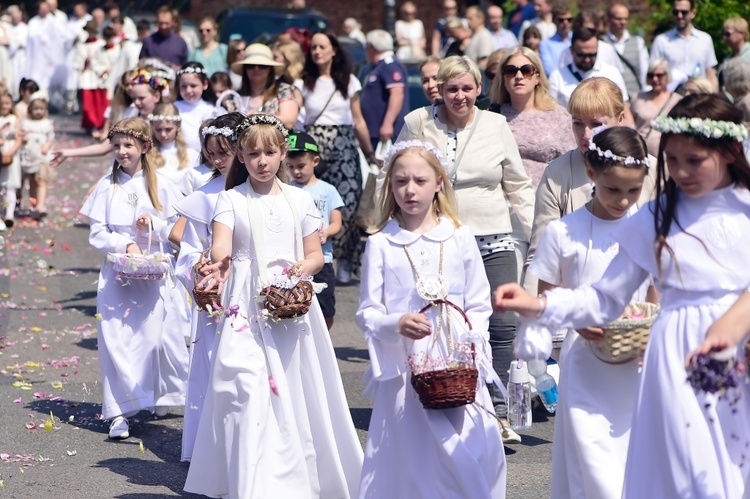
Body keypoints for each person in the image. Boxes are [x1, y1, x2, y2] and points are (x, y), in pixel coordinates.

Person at [494, 92, 750, 499]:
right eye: (672, 160)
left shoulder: (745, 210)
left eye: (695, 161)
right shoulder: (656, 216)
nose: (681, 172)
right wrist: (540, 304)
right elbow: (603, 297)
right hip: (671, 352)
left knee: (733, 467)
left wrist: (736, 325)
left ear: (731, 152)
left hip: (734, 351)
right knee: (682, 469)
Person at [183, 114, 363, 498]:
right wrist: (215, 264)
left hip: (290, 300)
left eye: (269, 152)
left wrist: (301, 268)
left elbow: (315, 253)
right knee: (244, 385)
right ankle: (249, 479)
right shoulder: (230, 199)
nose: (262, 161)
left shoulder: (300, 200)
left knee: (296, 387)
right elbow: (222, 247)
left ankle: (295, 476)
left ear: (282, 153)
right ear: (241, 159)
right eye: (252, 154)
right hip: (244, 305)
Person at [396, 55, 535, 443]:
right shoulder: (417, 122)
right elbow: (393, 175)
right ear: (438, 89)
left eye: (467, 88)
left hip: (494, 234)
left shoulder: (496, 124)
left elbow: (518, 185)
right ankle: (440, 403)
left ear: (478, 89)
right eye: (451, 88)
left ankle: (501, 412)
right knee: (442, 324)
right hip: (441, 236)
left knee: (503, 322)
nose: (460, 96)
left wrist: (539, 233)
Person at [357, 140, 506, 497]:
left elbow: (478, 301)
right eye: (401, 181)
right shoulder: (381, 243)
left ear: (439, 182)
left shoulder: (458, 235)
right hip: (407, 366)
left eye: (420, 181)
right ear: (390, 186)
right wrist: (396, 323)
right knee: (414, 451)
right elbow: (367, 312)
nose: (410, 190)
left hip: (457, 363)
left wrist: (474, 347)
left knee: (466, 444)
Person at [529, 126, 655, 498]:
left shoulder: (645, 226)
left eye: (633, 191)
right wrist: (578, 321)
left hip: (635, 362)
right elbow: (547, 297)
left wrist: (650, 328)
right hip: (585, 363)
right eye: (613, 189)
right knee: (596, 470)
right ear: (591, 173)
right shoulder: (564, 232)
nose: (622, 200)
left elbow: (654, 287)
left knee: (631, 462)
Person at [79, 118, 188, 439]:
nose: (122, 152)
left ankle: (154, 393)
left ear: (144, 147)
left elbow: (176, 229)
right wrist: (122, 242)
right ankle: (119, 413)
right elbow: (97, 232)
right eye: (116, 146)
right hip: (117, 273)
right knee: (116, 341)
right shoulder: (105, 186)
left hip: (152, 272)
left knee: (152, 340)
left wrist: (153, 224)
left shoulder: (163, 184)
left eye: (128, 145)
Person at [525, 77, 656, 294]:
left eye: (596, 124)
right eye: (578, 124)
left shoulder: (651, 170)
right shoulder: (557, 173)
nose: (586, 135)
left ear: (621, 118)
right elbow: (540, 255)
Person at [171, 112, 245, 462]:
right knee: (215, 366)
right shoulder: (205, 195)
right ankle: (212, 452)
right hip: (217, 292)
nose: (216, 160)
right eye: (210, 153)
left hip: (252, 288)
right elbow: (185, 247)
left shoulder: (256, 191)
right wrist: (198, 268)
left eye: (223, 152)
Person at [299, 30, 372, 284]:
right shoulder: (303, 82)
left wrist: (370, 153)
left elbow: (358, 119)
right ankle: (318, 256)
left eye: (322, 47)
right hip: (313, 147)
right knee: (312, 204)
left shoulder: (349, 81)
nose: (317, 51)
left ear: (333, 51)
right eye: (314, 48)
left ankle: (344, 260)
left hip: (343, 145)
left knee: (348, 206)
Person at [489, 46, 575, 187]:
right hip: (504, 198)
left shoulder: (560, 117)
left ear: (537, 78)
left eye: (526, 70)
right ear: (503, 79)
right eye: (511, 71)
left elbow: (572, 165)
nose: (518, 76)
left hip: (549, 196)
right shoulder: (492, 116)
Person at [286, 131, 343, 330]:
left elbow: (337, 221)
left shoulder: (327, 190)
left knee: (327, 308)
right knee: (297, 303)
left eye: (301, 166)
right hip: (296, 258)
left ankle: (324, 338)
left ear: (315, 161)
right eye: (291, 167)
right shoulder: (286, 189)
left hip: (323, 259)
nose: (296, 172)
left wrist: (326, 233)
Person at [548, 27, 631, 112]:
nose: (587, 60)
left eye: (592, 55)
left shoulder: (612, 73)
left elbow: (624, 108)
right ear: (572, 51)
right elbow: (551, 112)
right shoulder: (557, 77)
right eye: (582, 55)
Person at [650, 0, 718, 91]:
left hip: (699, 95)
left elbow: (710, 72)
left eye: (684, 12)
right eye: (676, 12)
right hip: (672, 96)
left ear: (693, 13)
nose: (679, 16)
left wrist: (714, 97)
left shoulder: (705, 39)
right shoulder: (661, 41)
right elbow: (653, 72)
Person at [231, 43, 298, 130]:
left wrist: (258, 117)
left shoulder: (283, 90)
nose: (256, 69)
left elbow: (289, 122)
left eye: (262, 66)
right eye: (251, 66)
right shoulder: (235, 97)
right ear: (245, 69)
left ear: (270, 69)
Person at [362, 30, 410, 150]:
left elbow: (397, 94)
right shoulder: (379, 66)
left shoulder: (389, 65)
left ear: (371, 47)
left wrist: (387, 124)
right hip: (374, 132)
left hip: (386, 134)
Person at [630, 58, 682, 156]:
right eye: (651, 75)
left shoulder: (678, 100)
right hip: (642, 154)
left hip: (668, 156)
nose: (655, 79)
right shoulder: (637, 98)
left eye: (659, 75)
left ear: (667, 75)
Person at [147, 102, 200, 194]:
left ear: (178, 126)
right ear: (152, 127)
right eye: (158, 130)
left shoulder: (191, 155)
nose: (163, 134)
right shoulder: (147, 154)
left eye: (168, 129)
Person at [601, 3, 649, 101]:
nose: (623, 22)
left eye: (625, 19)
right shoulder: (601, 43)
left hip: (635, 98)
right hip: (610, 99)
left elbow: (644, 71)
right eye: (618, 19)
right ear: (609, 19)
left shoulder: (638, 42)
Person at [18, 90, 54, 220]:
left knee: (41, 181)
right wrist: (23, 138)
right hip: (29, 156)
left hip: (42, 156)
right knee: (32, 183)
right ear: (30, 109)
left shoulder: (47, 123)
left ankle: (41, 205)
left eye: (41, 109)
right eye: (35, 109)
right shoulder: (25, 122)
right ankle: (34, 207)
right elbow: (20, 135)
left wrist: (47, 145)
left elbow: (51, 138)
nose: (38, 111)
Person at [25, 1, 67, 110]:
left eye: (46, 8)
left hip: (51, 58)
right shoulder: (33, 22)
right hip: (37, 58)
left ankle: (53, 105)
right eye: (42, 8)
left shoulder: (54, 21)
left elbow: (59, 39)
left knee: (51, 83)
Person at [173, 61, 216, 153]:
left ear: (205, 84)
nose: (188, 90)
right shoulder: (174, 108)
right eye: (184, 86)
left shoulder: (212, 109)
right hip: (181, 156)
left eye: (193, 86)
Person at [73, 20, 104, 134]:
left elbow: (104, 60)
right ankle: (90, 123)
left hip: (98, 77)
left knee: (98, 102)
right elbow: (76, 62)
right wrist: (85, 62)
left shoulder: (100, 44)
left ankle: (99, 123)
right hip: (86, 76)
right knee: (88, 103)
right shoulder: (81, 45)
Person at [0, 92, 22, 228]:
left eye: (7, 103)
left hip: (11, 153)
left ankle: (9, 214)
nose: (4, 106)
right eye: (2, 103)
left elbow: (19, 139)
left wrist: (10, 151)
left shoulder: (14, 119)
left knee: (10, 186)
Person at [539, 1, 572, 76]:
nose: (566, 23)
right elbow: (550, 71)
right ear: (554, 20)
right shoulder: (545, 44)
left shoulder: (577, 40)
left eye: (569, 19)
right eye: (561, 20)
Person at [7, 5, 28, 101]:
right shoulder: (7, 27)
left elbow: (25, 43)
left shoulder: (25, 28)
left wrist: (14, 43)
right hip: (10, 58)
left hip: (22, 57)